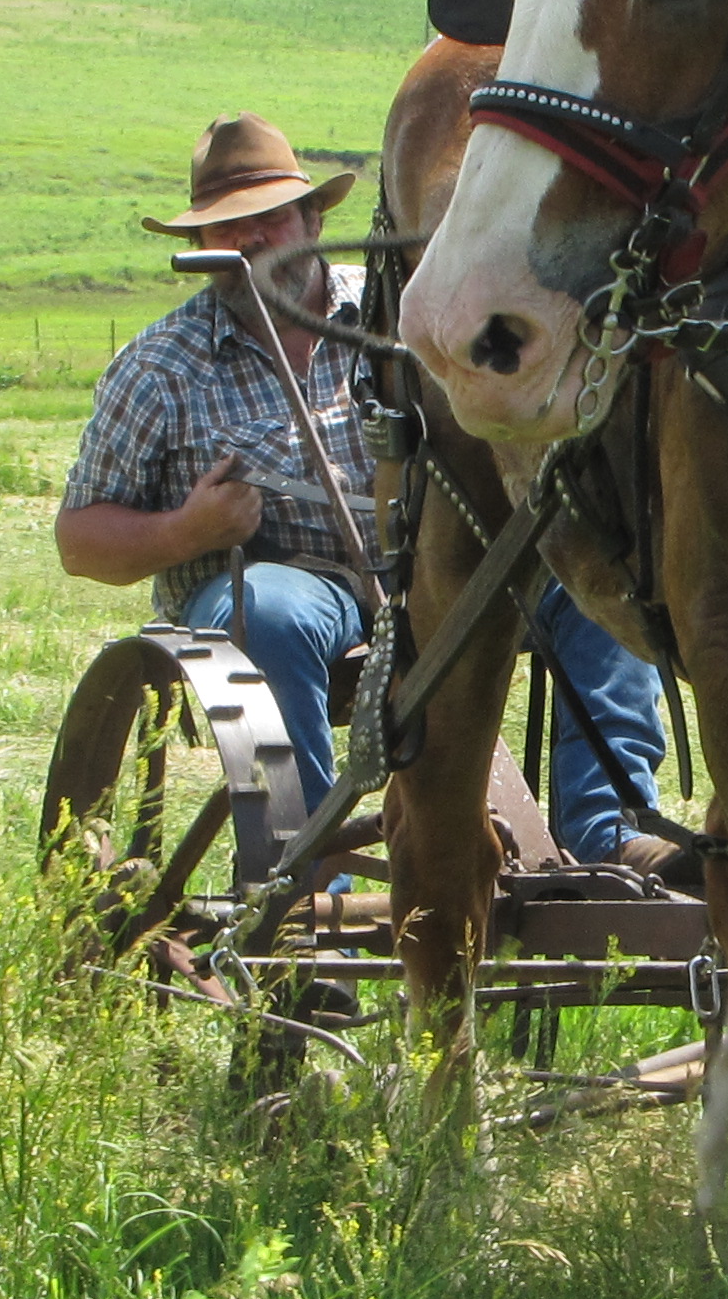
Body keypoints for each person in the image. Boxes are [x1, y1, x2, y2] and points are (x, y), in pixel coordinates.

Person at [57, 115, 691, 883]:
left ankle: (608, 830)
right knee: (274, 611)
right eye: (227, 229)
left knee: (592, 576)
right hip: (284, 582)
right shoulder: (160, 367)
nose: (253, 242)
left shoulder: (403, 318)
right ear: (198, 249)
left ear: (312, 221)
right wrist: (188, 529)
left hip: (424, 565)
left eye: (269, 220)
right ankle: (315, 875)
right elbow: (80, 539)